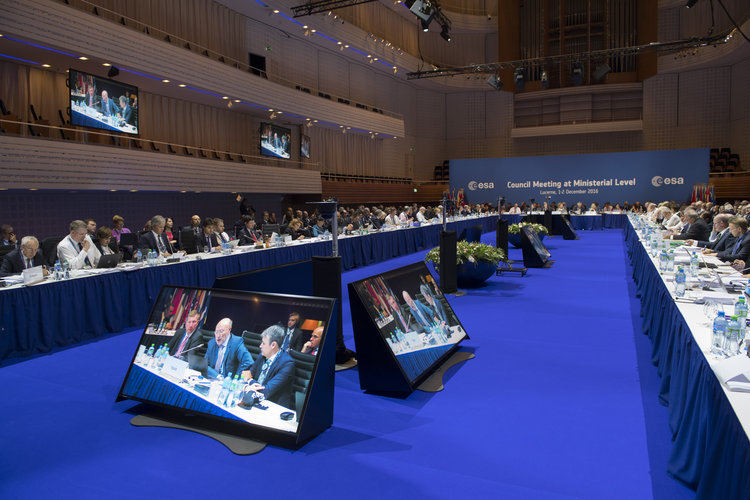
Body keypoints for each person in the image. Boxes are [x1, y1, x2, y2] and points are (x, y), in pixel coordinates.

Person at [243, 325, 295, 409]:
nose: (260, 346)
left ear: (273, 345)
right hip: (255, 400)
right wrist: (249, 383)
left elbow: (266, 391)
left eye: (263, 343)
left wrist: (249, 382)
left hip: (273, 407)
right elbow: (246, 374)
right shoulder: (262, 356)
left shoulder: (287, 364)